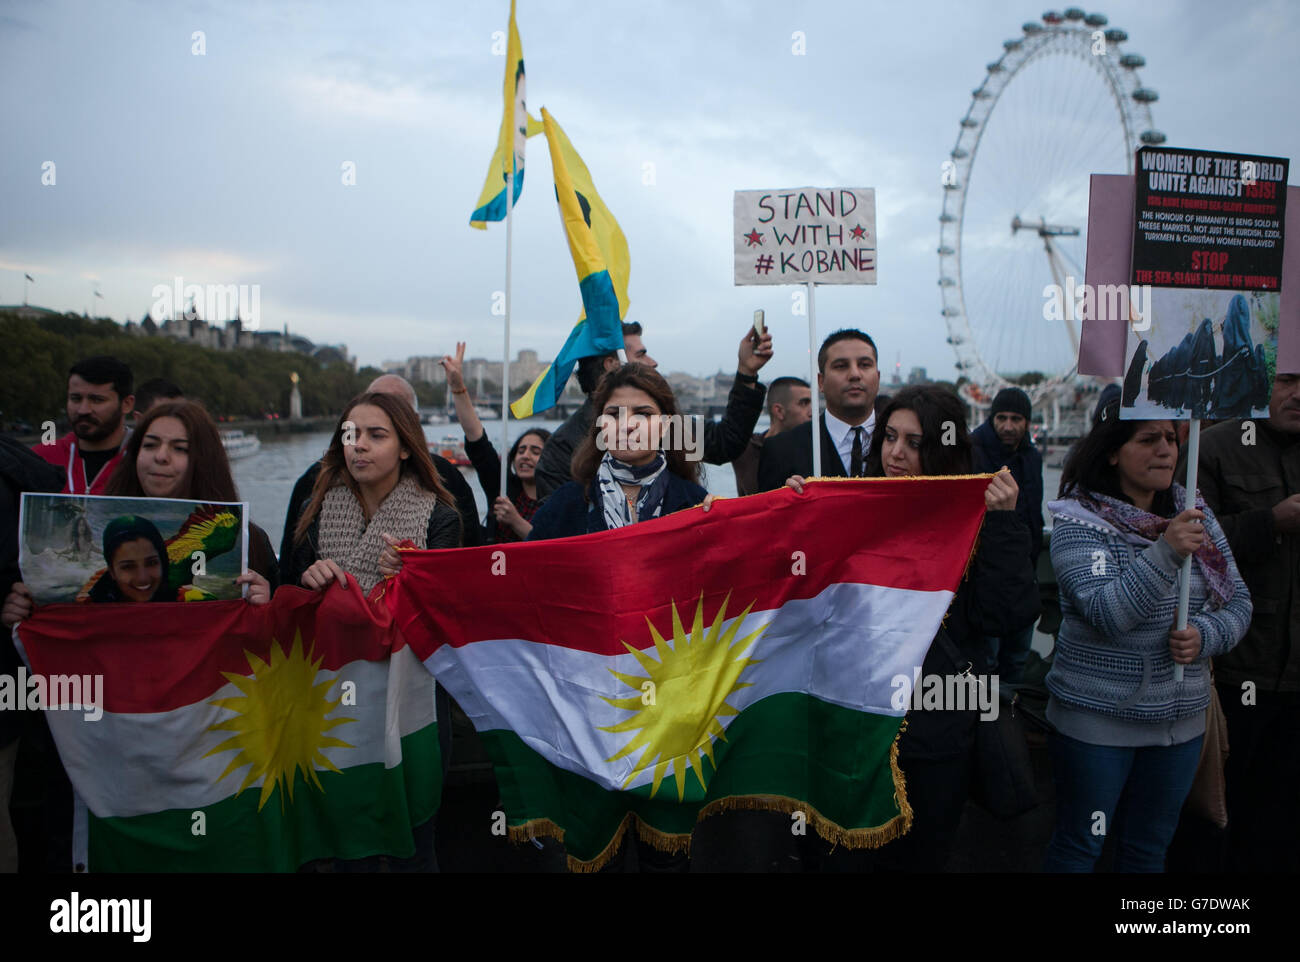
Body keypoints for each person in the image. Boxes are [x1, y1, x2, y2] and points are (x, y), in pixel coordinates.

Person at [783, 385, 1038, 871]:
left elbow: (1006, 614)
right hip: (849, 726)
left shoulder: (977, 517)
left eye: (915, 443)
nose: (896, 453)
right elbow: (801, 602)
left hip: (935, 733)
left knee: (922, 856)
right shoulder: (850, 508)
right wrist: (796, 521)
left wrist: (1003, 523)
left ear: (944, 448)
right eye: (890, 437)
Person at [1042, 400, 1251, 872]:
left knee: (1147, 852)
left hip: (1180, 727)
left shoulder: (1196, 514)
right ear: (1113, 451)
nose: (1165, 450)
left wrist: (1205, 634)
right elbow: (1108, 613)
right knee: (1081, 847)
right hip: (1097, 725)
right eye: (1147, 439)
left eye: (1171, 439)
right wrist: (1166, 552)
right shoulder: (1078, 520)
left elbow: (1239, 603)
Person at [1187, 370, 1300, 871]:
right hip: (1234, 669)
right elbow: (1189, 543)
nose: (1298, 395)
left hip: (1294, 675)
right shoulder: (1212, 448)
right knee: (1214, 816)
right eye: (1288, 381)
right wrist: (1270, 522)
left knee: (1279, 818)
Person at [533, 321, 772, 499]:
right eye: (641, 354)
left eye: (644, 415)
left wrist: (746, 373)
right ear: (612, 365)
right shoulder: (562, 450)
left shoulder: (672, 434)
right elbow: (559, 541)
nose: (653, 362)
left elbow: (725, 442)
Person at [279, 373, 483, 565]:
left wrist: (410, 575)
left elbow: (458, 583)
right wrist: (310, 584)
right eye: (351, 435)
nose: (360, 445)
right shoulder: (313, 506)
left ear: (406, 443)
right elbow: (288, 585)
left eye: (376, 435)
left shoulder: (441, 516)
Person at [440, 342, 550, 542]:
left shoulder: (557, 499)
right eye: (521, 450)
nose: (526, 456)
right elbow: (477, 440)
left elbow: (554, 546)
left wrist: (515, 520)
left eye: (535, 451)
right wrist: (457, 387)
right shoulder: (504, 489)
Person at [970, 387, 1044, 684]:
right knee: (986, 661)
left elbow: (1034, 515)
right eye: (1002, 418)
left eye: (1016, 419)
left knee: (1017, 658)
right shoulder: (973, 451)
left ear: (1027, 422)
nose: (1008, 426)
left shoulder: (1033, 457)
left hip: (1023, 574)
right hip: (986, 577)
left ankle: (1009, 724)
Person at [757, 328, 887, 491]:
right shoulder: (781, 450)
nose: (854, 374)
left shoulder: (900, 442)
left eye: (865, 365)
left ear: (878, 377)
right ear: (820, 381)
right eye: (841, 366)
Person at [33, 356, 134, 495]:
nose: (83, 410)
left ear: (127, 404)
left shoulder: (144, 462)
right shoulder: (40, 459)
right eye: (76, 399)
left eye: (97, 400)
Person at [731, 376, 811, 497]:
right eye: (804, 403)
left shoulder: (816, 448)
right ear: (779, 411)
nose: (812, 412)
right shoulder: (744, 448)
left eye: (812, 404)